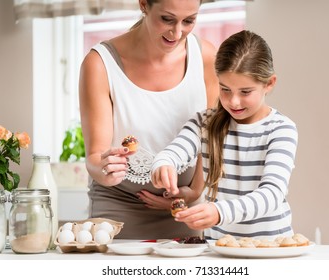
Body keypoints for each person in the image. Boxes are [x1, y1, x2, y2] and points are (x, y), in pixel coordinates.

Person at [79, 0, 219, 239]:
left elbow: (211, 136)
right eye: (167, 19)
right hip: (119, 207)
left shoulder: (205, 56)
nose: (177, 33)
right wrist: (105, 168)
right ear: (144, 4)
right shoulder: (100, 63)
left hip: (184, 207)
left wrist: (193, 191)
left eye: (189, 21)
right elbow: (95, 157)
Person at [151, 30, 298, 240]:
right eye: (225, 89)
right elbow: (175, 151)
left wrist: (220, 213)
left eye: (245, 92)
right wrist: (163, 164)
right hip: (218, 248)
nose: (233, 101)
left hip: (271, 247)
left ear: (269, 83)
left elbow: (272, 194)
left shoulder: (281, 129)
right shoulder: (204, 123)